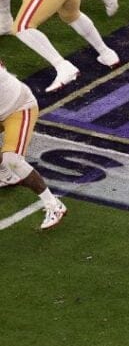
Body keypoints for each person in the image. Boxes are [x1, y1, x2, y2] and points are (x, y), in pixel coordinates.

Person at [0, 58, 67, 228]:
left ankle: (54, 205)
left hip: (19, 108)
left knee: (13, 160)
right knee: (7, 164)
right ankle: (6, 176)